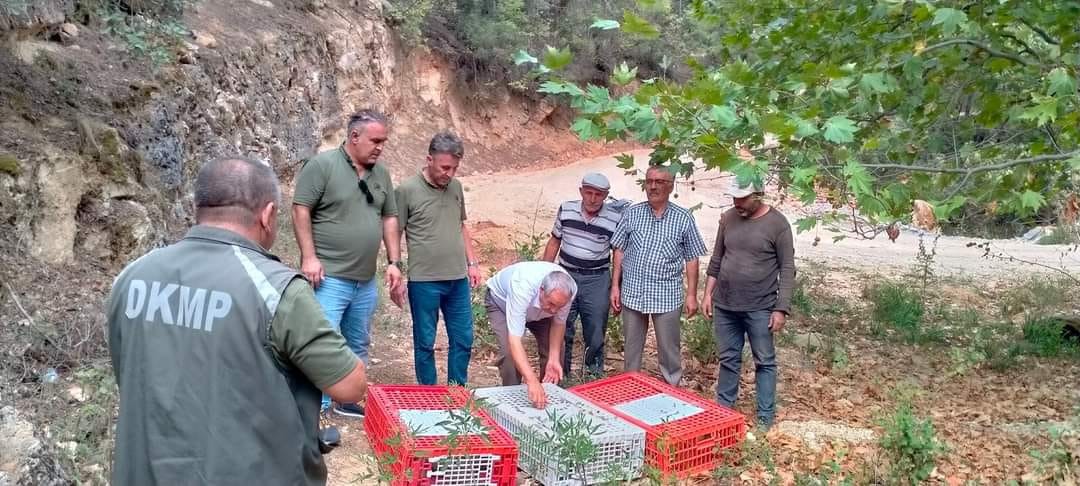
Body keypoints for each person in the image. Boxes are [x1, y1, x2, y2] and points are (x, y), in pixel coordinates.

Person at [106, 157, 368, 486]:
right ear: (268, 215)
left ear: (197, 207)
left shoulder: (131, 277)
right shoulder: (275, 289)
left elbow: (129, 372)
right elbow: (349, 384)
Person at [292, 109, 403, 418]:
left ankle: (346, 399)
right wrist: (309, 257)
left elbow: (390, 217)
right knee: (324, 341)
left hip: (365, 280)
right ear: (354, 137)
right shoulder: (322, 166)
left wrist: (394, 262)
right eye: (375, 140)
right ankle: (319, 403)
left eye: (384, 141)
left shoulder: (381, 174)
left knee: (358, 341)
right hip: (330, 277)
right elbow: (301, 209)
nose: (380, 147)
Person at [703, 179, 795, 430]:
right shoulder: (728, 218)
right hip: (725, 304)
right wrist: (707, 294)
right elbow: (717, 258)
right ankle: (723, 411)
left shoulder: (778, 225)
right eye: (734, 198)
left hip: (760, 306)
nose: (737, 203)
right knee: (728, 358)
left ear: (759, 195)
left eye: (743, 198)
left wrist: (780, 308)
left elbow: (787, 269)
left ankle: (765, 417)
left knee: (764, 361)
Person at [395, 132, 482, 386]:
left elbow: (461, 225)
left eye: (454, 168)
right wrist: (396, 268)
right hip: (425, 281)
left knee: (463, 339)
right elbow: (394, 231)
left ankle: (457, 392)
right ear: (429, 159)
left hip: (458, 280)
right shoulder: (406, 190)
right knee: (425, 341)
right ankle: (428, 394)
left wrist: (473, 263)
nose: (450, 174)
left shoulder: (455, 187)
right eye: (445, 167)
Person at [611, 165, 708, 386]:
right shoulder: (632, 213)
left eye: (659, 182)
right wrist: (615, 286)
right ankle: (630, 385)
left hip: (666, 295)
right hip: (633, 292)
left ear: (671, 185)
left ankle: (671, 389)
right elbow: (619, 249)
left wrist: (692, 295)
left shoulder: (683, 218)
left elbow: (692, 257)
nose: (653, 186)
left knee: (669, 348)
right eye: (649, 181)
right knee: (632, 347)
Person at [542, 172, 626, 379]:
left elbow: (618, 252)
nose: (592, 198)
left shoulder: (614, 217)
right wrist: (543, 271)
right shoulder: (567, 209)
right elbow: (555, 240)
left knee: (596, 330)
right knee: (561, 327)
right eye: (588, 193)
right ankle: (560, 375)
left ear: (605, 196)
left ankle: (592, 376)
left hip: (596, 279)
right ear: (581, 191)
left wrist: (615, 286)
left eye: (598, 194)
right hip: (566, 275)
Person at [484, 261, 577, 408]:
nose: (554, 310)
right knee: (509, 355)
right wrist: (531, 380)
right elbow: (515, 341)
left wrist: (553, 358)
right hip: (502, 303)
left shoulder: (567, 292)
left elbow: (559, 323)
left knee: (556, 354)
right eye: (551, 304)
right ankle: (512, 403)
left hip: (539, 312)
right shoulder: (522, 286)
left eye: (559, 307)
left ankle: (547, 400)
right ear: (541, 290)